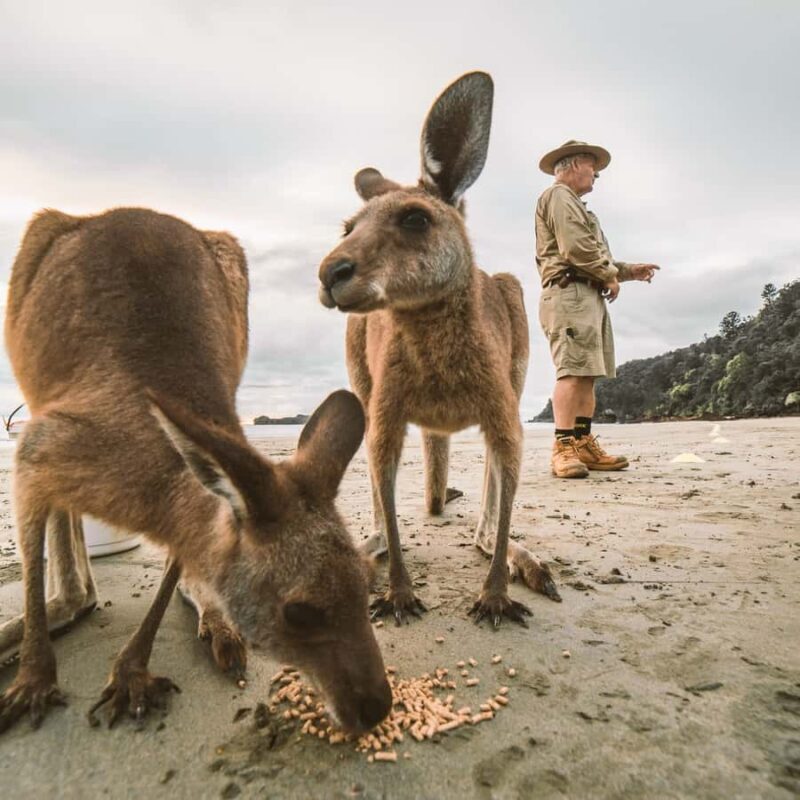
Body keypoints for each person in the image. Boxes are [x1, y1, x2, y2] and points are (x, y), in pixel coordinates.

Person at [535, 140, 659, 478]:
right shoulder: (558, 195)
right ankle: (563, 447)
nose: (597, 174)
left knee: (588, 374)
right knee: (572, 371)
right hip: (569, 293)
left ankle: (582, 442)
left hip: (587, 295)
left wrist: (628, 271)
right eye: (593, 166)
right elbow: (575, 248)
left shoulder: (579, 207)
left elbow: (597, 256)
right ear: (575, 165)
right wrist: (608, 274)